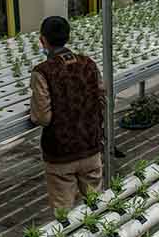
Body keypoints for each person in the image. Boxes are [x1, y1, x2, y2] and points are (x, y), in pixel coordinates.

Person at [30, 16, 104, 211]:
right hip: (90, 147)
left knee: (64, 211)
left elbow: (42, 117)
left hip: (60, 154)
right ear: (68, 37)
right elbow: (102, 99)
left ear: (42, 40)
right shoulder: (89, 63)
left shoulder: (42, 72)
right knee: (96, 204)